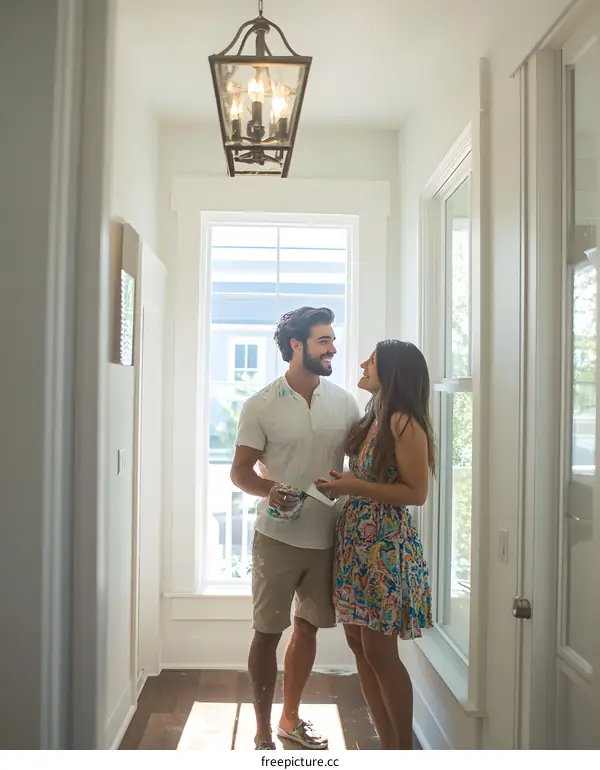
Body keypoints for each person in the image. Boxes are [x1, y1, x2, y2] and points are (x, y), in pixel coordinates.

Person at [230, 306, 361, 751]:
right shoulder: (261, 405)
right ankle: (263, 733)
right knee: (267, 633)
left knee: (308, 629)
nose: (333, 348)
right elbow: (240, 473)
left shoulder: (344, 401)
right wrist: (269, 490)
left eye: (332, 339)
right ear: (296, 347)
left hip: (328, 539)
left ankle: (290, 721)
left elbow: (362, 463)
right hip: (278, 538)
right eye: (324, 340)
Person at [317, 340, 435, 750]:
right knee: (357, 644)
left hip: (383, 548)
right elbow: (374, 481)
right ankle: (387, 745)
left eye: (373, 360)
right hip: (357, 546)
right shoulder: (375, 417)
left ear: (394, 372)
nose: (364, 363)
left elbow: (416, 492)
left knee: (380, 652)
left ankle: (402, 749)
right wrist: (343, 485)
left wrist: (352, 485)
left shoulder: (404, 422)